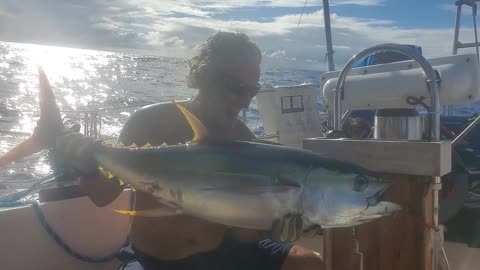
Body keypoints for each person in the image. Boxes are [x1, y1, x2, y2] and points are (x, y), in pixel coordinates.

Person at [79, 31, 325, 270]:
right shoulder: (150, 122)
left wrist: (277, 229)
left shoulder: (244, 141)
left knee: (311, 264)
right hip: (156, 261)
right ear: (206, 77)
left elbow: (240, 231)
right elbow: (102, 196)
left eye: (253, 90)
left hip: (224, 257)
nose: (246, 102)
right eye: (238, 88)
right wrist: (83, 163)